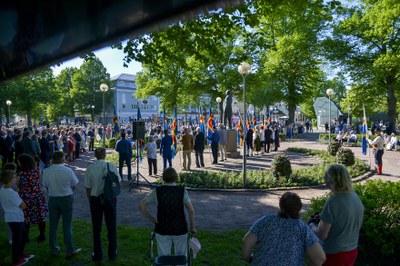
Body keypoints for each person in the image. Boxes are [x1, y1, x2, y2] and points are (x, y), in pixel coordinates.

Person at [243, 192, 325, 265]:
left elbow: (246, 242)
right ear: (299, 208)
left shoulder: (265, 220)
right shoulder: (302, 229)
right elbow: (320, 258)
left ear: (280, 205)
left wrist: (249, 259)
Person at [310, 164, 364, 266]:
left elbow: (322, 234)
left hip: (334, 254)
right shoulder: (355, 197)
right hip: (352, 251)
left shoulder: (333, 202)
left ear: (332, 182)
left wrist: (312, 225)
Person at [138, 167, 196, 258]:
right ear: (176, 177)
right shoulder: (182, 191)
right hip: (180, 227)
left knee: (163, 257)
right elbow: (191, 211)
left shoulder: (157, 191)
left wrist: (152, 219)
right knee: (181, 257)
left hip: (162, 227)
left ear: (164, 178)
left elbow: (141, 206)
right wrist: (193, 228)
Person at [42, 151, 81, 258]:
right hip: (66, 197)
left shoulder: (46, 171)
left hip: (53, 198)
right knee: (67, 225)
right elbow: (74, 185)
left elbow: (45, 186)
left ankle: (53, 249)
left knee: (53, 225)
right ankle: (69, 249)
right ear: (62, 159)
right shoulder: (67, 170)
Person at [85, 147, 121, 261]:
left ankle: (97, 253)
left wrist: (90, 200)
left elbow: (88, 187)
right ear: (105, 155)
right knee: (111, 225)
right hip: (109, 198)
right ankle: (112, 252)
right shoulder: (111, 166)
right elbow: (118, 182)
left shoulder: (90, 168)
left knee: (96, 227)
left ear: (95, 155)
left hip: (95, 198)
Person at [0, 170, 35, 266]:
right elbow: (23, 206)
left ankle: (20, 254)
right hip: (15, 218)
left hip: (11, 217)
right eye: (14, 177)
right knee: (17, 240)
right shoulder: (12, 193)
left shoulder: (3, 189)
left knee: (23, 236)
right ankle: (16, 260)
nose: (16, 178)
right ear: (10, 180)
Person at [17, 153, 48, 242]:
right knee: (40, 217)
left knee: (26, 218)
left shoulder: (21, 174)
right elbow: (40, 182)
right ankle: (42, 235)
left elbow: (18, 187)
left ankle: (26, 237)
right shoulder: (37, 171)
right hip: (38, 196)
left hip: (26, 199)